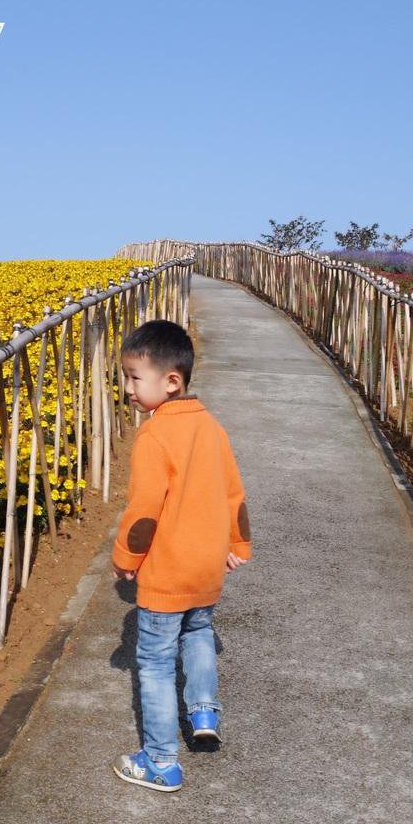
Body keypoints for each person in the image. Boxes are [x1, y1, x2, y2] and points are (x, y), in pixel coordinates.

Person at [110, 319, 252, 792]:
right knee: (200, 631)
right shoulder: (212, 428)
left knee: (152, 661)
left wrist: (126, 559)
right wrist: (238, 545)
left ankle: (161, 760)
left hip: (168, 570)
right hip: (207, 567)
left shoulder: (154, 437)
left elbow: (144, 511)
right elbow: (234, 494)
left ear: (171, 381)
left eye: (134, 377)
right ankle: (204, 709)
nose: (127, 388)